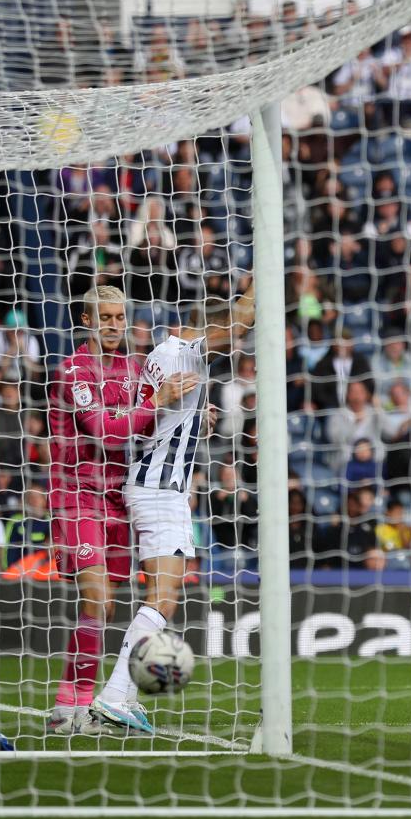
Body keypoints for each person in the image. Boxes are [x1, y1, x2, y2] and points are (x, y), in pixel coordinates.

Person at [91, 280, 255, 732]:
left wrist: (189, 420)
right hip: (161, 491)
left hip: (153, 484)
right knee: (163, 597)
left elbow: (150, 419)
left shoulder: (159, 356)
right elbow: (240, 322)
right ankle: (113, 695)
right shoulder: (184, 350)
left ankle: (120, 695)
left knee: (166, 596)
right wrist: (261, 277)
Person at [46, 286, 196, 736]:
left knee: (103, 610)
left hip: (118, 497)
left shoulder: (133, 369)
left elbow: (152, 420)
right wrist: (157, 402)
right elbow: (105, 431)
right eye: (105, 317)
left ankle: (80, 705)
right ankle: (69, 705)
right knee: (99, 599)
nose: (113, 325)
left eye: (119, 317)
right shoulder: (73, 370)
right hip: (77, 496)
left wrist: (189, 416)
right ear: (87, 321)